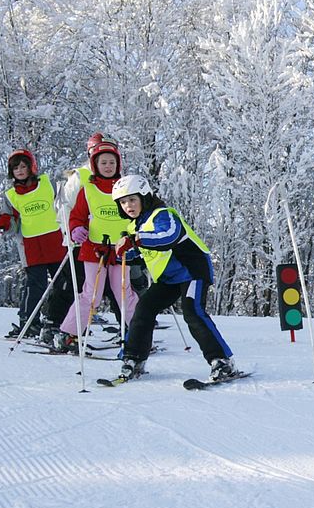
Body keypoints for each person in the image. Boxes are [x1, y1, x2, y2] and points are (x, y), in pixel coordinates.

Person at [110, 175, 237, 383]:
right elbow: (144, 254)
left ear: (144, 197)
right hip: (169, 278)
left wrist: (136, 240)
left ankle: (222, 361)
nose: (128, 206)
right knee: (144, 308)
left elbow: (168, 236)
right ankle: (133, 358)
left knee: (193, 312)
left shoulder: (162, 215)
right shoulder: (135, 227)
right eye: (123, 202)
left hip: (192, 269)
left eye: (132, 199)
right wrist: (120, 253)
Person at [53, 140, 139, 352]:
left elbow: (138, 214)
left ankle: (139, 333)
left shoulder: (125, 188)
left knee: (124, 293)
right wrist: (76, 230)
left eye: (112, 162)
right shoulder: (88, 189)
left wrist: (135, 236)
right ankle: (69, 334)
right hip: (94, 250)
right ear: (95, 165)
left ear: (118, 164)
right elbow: (77, 216)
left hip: (121, 249)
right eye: (103, 163)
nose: (108, 166)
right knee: (92, 294)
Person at [0, 149, 73, 341]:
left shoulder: (48, 184)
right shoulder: (11, 195)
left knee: (63, 283)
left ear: (32, 168)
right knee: (34, 285)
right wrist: (5, 221)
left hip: (56, 241)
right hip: (31, 246)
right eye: (16, 168)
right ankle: (28, 322)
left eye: (23, 166)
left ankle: (61, 321)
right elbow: (11, 224)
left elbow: (67, 202)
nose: (20, 171)